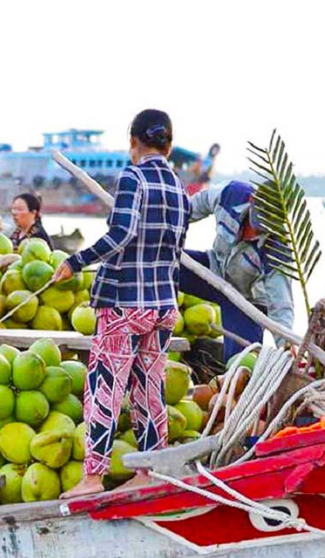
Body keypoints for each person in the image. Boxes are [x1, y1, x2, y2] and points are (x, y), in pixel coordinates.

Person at [53, 109, 190, 498]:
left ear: (133, 143)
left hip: (125, 304)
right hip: (164, 303)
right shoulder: (180, 188)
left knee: (104, 388)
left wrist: (74, 261)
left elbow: (122, 233)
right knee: (151, 388)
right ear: (169, 145)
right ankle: (149, 473)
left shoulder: (134, 177)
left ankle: (93, 477)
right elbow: (175, 249)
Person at [183, 181, 295, 362]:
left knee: (241, 362)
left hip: (246, 301)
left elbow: (281, 304)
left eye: (263, 228)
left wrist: (286, 345)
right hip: (213, 271)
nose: (253, 233)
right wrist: (172, 225)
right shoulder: (232, 195)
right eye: (257, 221)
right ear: (253, 199)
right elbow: (199, 203)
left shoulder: (278, 249)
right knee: (162, 262)